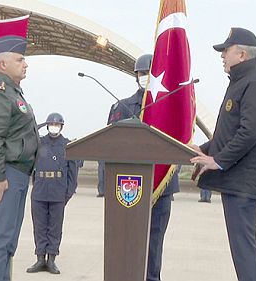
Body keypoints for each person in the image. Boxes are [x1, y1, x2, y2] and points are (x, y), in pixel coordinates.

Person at [190, 27, 256, 281]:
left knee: (243, 249)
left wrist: (217, 160)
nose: (222, 56)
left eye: (225, 51)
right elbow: (229, 133)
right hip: (238, 181)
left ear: (241, 54)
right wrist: (204, 149)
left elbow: (249, 132)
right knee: (240, 248)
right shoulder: (242, 83)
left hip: (245, 182)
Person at [105, 53, 180, 281]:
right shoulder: (122, 107)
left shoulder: (171, 107)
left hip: (161, 189)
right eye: (141, 73)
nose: (145, 77)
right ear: (135, 76)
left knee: (154, 244)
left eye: (149, 73)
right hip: (127, 188)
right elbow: (109, 143)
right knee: (125, 241)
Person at [0, 35, 39, 281]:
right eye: (20, 59)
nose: (25, 64)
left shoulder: (13, 93)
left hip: (18, 175)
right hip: (5, 176)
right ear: (3, 64)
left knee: (7, 243)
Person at [26, 113, 78, 275]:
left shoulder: (67, 145)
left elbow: (72, 175)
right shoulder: (39, 143)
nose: (54, 127)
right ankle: (40, 258)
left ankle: (52, 259)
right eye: (51, 124)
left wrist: (67, 195)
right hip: (40, 191)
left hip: (58, 192)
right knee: (39, 226)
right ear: (47, 126)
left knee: (55, 228)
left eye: (57, 124)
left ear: (61, 126)